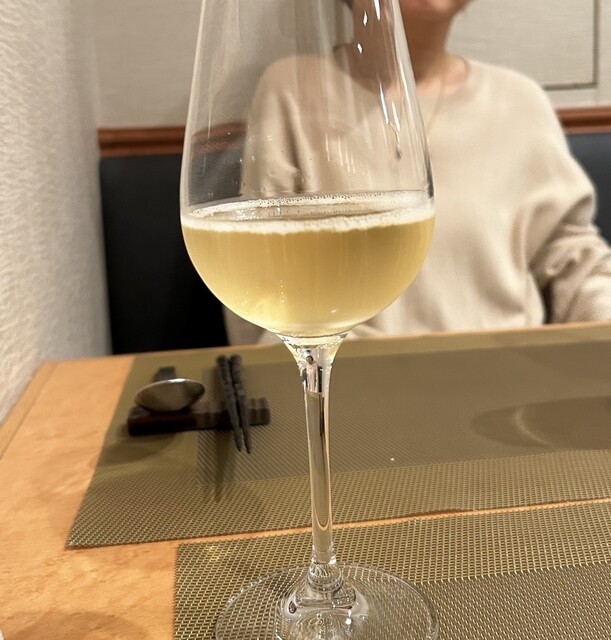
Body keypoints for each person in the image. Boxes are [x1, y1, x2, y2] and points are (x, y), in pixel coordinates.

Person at [225, 0, 611, 345]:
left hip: (509, 374)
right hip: (352, 381)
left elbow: (572, 259)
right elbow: (261, 275)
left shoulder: (520, 102)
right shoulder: (291, 91)